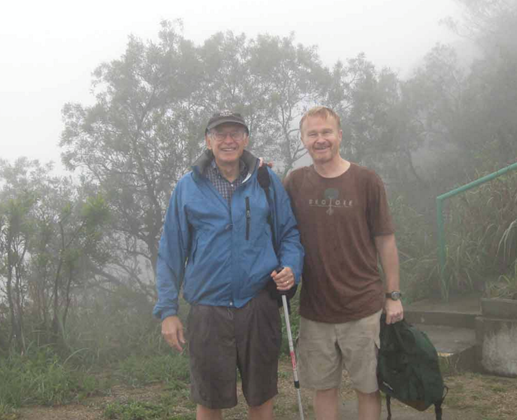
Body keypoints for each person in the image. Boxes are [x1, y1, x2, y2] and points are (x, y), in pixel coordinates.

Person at [153, 111, 304, 420]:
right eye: (220, 134)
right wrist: (168, 311)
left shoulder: (265, 180)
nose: (228, 140)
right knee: (209, 401)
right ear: (208, 141)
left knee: (261, 397)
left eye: (236, 133)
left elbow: (288, 232)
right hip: (208, 308)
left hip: (258, 304)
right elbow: (171, 251)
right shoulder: (188, 187)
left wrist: (291, 266)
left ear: (246, 139)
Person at [284, 106, 404, 420]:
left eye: (326, 132)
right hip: (316, 310)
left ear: (340, 135)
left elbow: (385, 240)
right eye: (313, 134)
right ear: (303, 139)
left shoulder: (366, 180)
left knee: (368, 388)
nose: (320, 139)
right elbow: (280, 231)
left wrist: (393, 296)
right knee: (323, 389)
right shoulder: (294, 183)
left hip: (363, 307)